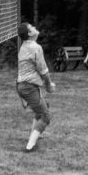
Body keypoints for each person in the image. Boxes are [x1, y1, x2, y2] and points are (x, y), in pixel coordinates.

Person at [16, 22, 55, 152]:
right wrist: (49, 85)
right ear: (29, 33)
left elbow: (35, 69)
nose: (35, 27)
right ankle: (30, 146)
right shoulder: (35, 47)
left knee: (44, 106)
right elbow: (43, 70)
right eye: (32, 27)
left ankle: (35, 135)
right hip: (28, 87)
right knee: (46, 116)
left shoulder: (25, 46)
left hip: (24, 86)